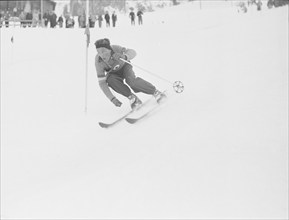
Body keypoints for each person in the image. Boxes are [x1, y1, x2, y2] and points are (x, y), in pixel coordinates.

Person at [94, 38, 166, 109]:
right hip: (114, 73)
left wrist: (125, 56)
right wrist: (112, 99)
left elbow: (133, 52)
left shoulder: (115, 48)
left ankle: (155, 92)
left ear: (109, 49)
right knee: (110, 80)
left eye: (103, 51)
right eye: (98, 52)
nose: (101, 55)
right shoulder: (99, 61)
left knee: (131, 81)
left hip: (125, 67)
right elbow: (102, 83)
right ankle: (133, 98)